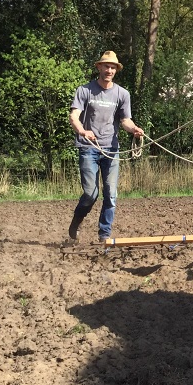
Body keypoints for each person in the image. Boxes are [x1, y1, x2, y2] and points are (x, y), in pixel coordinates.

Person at [68, 51, 143, 242]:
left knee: (111, 194)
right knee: (91, 193)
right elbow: (74, 116)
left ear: (116, 70)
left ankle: (104, 235)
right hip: (88, 147)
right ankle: (77, 221)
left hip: (111, 149)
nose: (109, 70)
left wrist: (134, 129)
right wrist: (83, 131)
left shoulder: (122, 94)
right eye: (106, 66)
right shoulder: (84, 90)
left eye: (113, 67)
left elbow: (125, 120)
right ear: (99, 67)